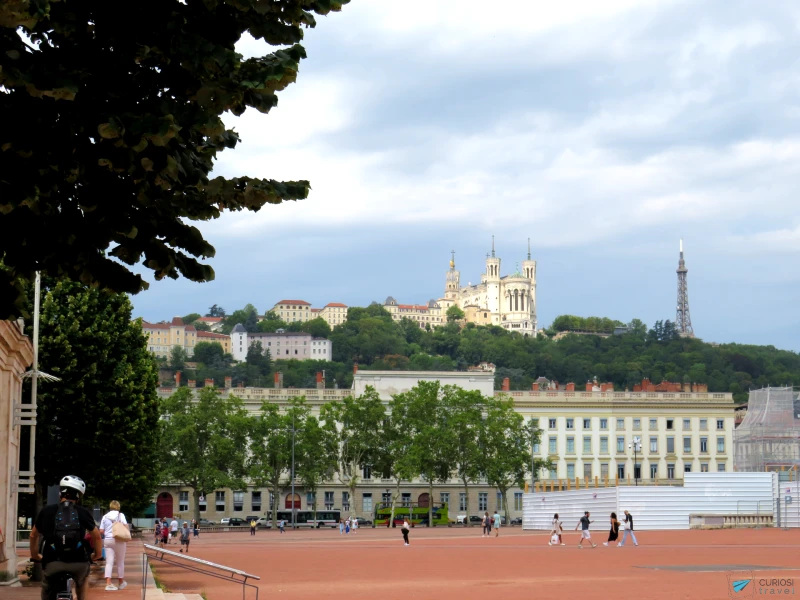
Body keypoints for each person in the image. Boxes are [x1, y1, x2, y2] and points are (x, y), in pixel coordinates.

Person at [30, 475, 102, 600]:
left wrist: (35, 555)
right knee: (82, 580)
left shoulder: (47, 511)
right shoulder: (83, 512)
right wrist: (97, 555)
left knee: (47, 584)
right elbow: (97, 537)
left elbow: (33, 535)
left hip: (52, 562)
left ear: (60, 493)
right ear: (79, 496)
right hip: (78, 562)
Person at [100, 500, 129, 591]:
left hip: (108, 540)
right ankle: (121, 582)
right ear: (118, 507)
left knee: (109, 562)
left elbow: (101, 530)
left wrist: (108, 533)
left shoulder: (105, 516)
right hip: (119, 540)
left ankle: (108, 583)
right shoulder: (121, 515)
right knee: (120, 562)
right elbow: (126, 526)